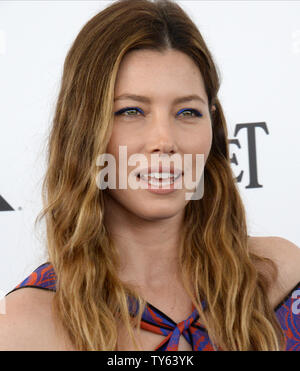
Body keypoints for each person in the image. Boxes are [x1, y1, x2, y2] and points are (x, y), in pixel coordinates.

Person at [1, 0, 300, 351]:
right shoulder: (24, 327)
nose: (165, 141)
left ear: (213, 126)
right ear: (82, 129)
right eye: (131, 111)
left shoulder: (279, 276)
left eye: (188, 111)